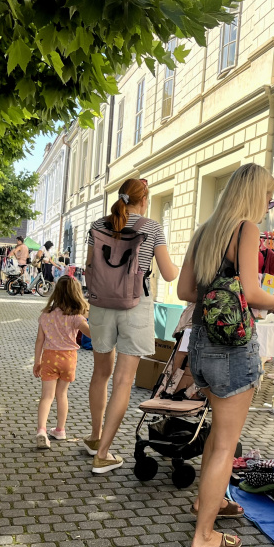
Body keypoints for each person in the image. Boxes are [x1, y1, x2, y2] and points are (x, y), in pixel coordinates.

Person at [177, 163, 274, 547]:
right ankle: (204, 536)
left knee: (218, 435)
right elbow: (254, 293)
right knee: (225, 443)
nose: (269, 207)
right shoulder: (246, 230)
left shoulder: (204, 230)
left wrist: (218, 291)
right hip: (233, 348)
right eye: (269, 198)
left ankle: (211, 501)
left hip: (201, 341)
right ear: (255, 195)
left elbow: (186, 288)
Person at [86, 177, 179, 474]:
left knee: (100, 373)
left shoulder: (97, 225)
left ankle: (95, 436)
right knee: (123, 381)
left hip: (101, 305)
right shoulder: (151, 227)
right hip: (134, 305)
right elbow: (168, 274)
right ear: (144, 199)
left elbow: (89, 266)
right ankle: (103, 453)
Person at [32, 276, 90, 449]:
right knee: (62, 395)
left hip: (49, 357)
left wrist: (37, 361)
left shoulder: (46, 314)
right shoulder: (76, 317)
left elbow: (39, 341)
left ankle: (42, 430)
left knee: (46, 396)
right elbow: (91, 334)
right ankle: (60, 429)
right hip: (69, 358)